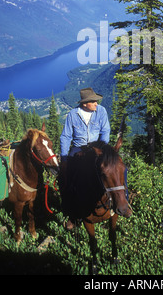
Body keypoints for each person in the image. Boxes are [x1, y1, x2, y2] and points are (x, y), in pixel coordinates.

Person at [59, 87, 111, 230]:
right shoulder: (73, 115)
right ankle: (73, 214)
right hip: (78, 148)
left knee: (111, 173)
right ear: (84, 104)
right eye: (93, 101)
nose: (96, 103)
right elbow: (66, 136)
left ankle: (115, 205)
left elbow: (105, 130)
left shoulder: (101, 111)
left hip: (97, 148)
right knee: (69, 178)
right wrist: (64, 159)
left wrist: (102, 148)